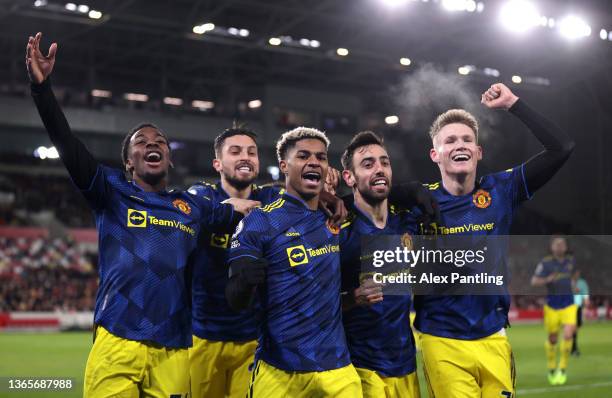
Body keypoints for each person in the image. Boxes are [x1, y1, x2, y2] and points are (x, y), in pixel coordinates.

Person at [26, 32, 259, 397]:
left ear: (169, 158)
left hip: (175, 349)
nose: (153, 144)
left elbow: (246, 208)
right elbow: (68, 145)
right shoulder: (110, 191)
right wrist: (42, 90)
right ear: (128, 161)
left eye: (160, 142)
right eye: (142, 142)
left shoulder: (192, 206)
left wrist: (319, 198)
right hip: (118, 340)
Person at [415, 83, 575, 397]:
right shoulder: (418, 201)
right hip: (442, 340)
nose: (459, 144)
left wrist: (514, 104)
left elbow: (562, 147)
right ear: (435, 154)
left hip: (495, 337)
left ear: (478, 151)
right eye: (449, 140)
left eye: (467, 139)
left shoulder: (501, 189)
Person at [226, 127, 362, 397]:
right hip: (279, 371)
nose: (314, 162)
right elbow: (235, 300)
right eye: (303, 156)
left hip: (338, 371)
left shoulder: (337, 219)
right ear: (284, 166)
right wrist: (244, 282)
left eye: (321, 158)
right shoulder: (260, 221)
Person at [339, 131, 420, 397]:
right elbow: (314, 301)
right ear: (349, 177)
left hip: (406, 367)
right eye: (368, 164)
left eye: (384, 162)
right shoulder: (339, 231)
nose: (379, 169)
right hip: (361, 368)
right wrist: (353, 298)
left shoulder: (407, 222)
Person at [531, 236, 577, 385]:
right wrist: (547, 280)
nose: (560, 246)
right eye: (557, 244)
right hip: (552, 306)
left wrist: (574, 284)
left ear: (565, 247)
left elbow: (574, 276)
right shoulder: (545, 263)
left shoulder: (571, 261)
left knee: (569, 335)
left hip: (569, 305)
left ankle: (562, 368)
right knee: (553, 338)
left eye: (562, 244)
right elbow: (534, 281)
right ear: (552, 247)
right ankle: (551, 367)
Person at [572, 268, 590, 356]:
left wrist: (586, 302)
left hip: (578, 306)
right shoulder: (566, 282)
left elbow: (585, 294)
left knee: (577, 327)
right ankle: (573, 348)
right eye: (576, 272)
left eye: (578, 272)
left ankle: (572, 346)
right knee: (572, 326)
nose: (577, 274)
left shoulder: (582, 283)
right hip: (567, 307)